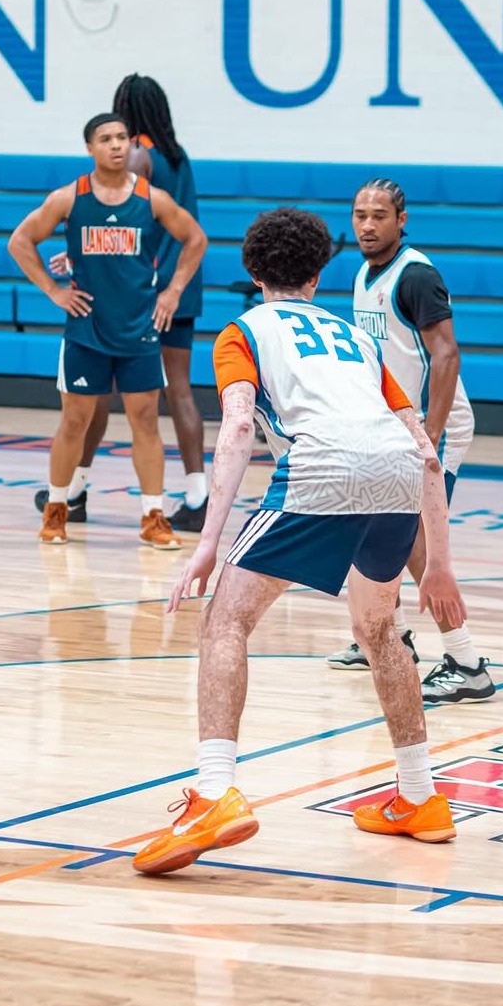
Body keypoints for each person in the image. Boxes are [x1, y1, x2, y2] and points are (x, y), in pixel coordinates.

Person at [132, 207, 465, 877]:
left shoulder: (241, 330)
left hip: (323, 467)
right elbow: (424, 450)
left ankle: (215, 789)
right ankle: (420, 797)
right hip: (397, 474)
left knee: (226, 618)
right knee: (378, 627)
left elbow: (234, 432)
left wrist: (207, 542)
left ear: (252, 272)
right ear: (318, 273)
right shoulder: (355, 336)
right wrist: (439, 565)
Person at [326, 178, 495, 704]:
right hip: (396, 424)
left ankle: (466, 662)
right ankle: (391, 636)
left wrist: (433, 433)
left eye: (379, 215)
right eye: (360, 215)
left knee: (416, 542)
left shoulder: (416, 275)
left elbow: (446, 354)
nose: (368, 225)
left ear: (402, 220)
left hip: (432, 424)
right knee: (378, 524)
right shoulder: (362, 272)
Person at [9, 112, 206, 550]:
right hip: (86, 331)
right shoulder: (69, 198)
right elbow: (20, 241)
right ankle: (57, 507)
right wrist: (53, 291)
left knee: (145, 424)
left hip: (138, 330)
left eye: (122, 138)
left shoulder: (152, 199)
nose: (116, 145)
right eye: (106, 138)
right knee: (74, 422)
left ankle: (153, 515)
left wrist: (173, 292)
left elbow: (195, 239)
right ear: (90, 148)